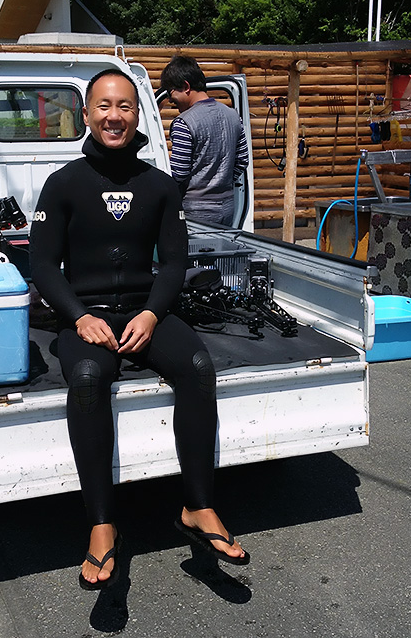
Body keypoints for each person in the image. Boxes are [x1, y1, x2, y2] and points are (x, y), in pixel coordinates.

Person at [30, 69, 249, 591]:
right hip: (85, 317)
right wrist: (80, 317)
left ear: (138, 114)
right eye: (103, 106)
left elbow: (174, 263)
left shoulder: (159, 185)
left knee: (197, 367)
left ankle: (198, 506)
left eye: (125, 107)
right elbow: (42, 265)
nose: (114, 116)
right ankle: (102, 525)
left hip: (144, 312)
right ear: (86, 115)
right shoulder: (63, 184)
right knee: (87, 378)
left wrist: (152, 314)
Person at [160, 55, 250, 227]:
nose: (170, 100)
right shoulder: (232, 115)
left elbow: (179, 173)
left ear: (186, 86)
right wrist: (223, 182)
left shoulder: (183, 122)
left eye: (171, 92)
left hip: (195, 210)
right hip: (228, 206)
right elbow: (242, 160)